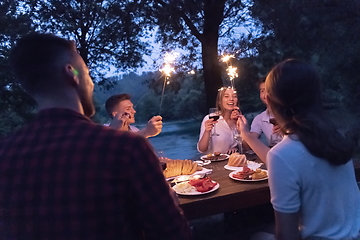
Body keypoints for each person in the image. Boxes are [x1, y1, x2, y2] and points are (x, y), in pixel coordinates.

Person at [0, 33, 192, 240]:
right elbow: (173, 233)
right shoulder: (124, 148)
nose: (91, 84)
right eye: (88, 74)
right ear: (71, 74)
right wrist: (168, 201)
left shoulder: (6, 153)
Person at [238, 59, 360, 240]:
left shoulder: (283, 155)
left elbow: (287, 236)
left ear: (270, 100)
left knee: (256, 235)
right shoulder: (336, 138)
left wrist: (246, 135)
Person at [197, 86, 241, 154]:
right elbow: (202, 149)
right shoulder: (210, 118)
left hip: (230, 161)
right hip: (213, 163)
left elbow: (245, 145)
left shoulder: (239, 119)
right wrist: (207, 131)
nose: (231, 99)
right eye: (226, 96)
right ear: (220, 101)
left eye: (234, 96)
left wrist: (235, 148)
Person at [250, 77, 283, 147]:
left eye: (268, 90)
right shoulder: (260, 118)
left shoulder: (291, 113)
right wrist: (242, 131)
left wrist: (288, 131)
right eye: (262, 91)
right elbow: (248, 144)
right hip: (273, 154)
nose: (265, 94)